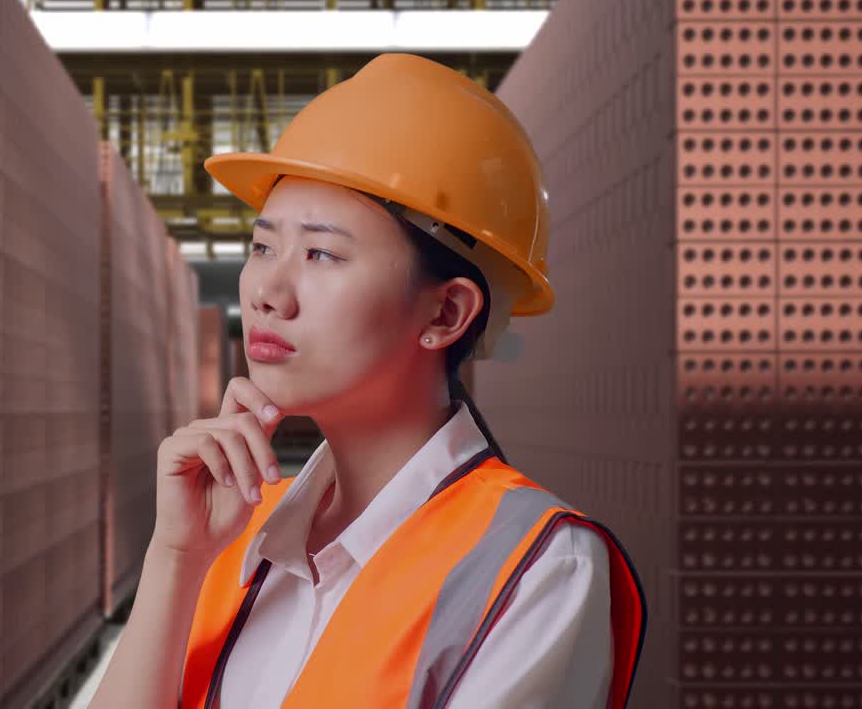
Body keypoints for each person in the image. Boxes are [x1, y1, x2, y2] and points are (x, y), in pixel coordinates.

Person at [87, 52, 646, 709]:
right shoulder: (238, 527)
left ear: (445, 312)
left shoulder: (537, 567)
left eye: (321, 253)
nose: (267, 291)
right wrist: (175, 557)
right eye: (264, 247)